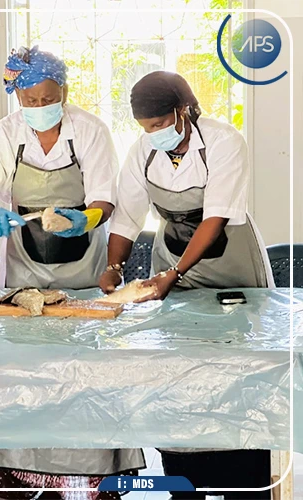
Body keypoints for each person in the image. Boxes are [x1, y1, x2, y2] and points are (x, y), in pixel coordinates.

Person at [0, 46, 141, 498]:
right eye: (29, 101)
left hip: (84, 267)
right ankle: (24, 473)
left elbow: (104, 196)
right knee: (27, 371)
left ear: (64, 90)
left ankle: (92, 476)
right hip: (25, 269)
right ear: (16, 96)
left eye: (47, 99)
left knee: (87, 371)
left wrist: (87, 218)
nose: (38, 109)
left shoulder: (90, 130)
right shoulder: (3, 133)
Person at [104, 70, 272, 498]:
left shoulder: (222, 142)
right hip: (171, 262)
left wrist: (172, 276)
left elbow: (214, 221)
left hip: (229, 264)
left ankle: (242, 476)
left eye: (159, 125)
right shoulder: (143, 151)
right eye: (145, 128)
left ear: (183, 110)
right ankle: (183, 472)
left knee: (235, 370)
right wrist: (115, 267)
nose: (152, 134)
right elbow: (127, 215)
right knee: (179, 369)